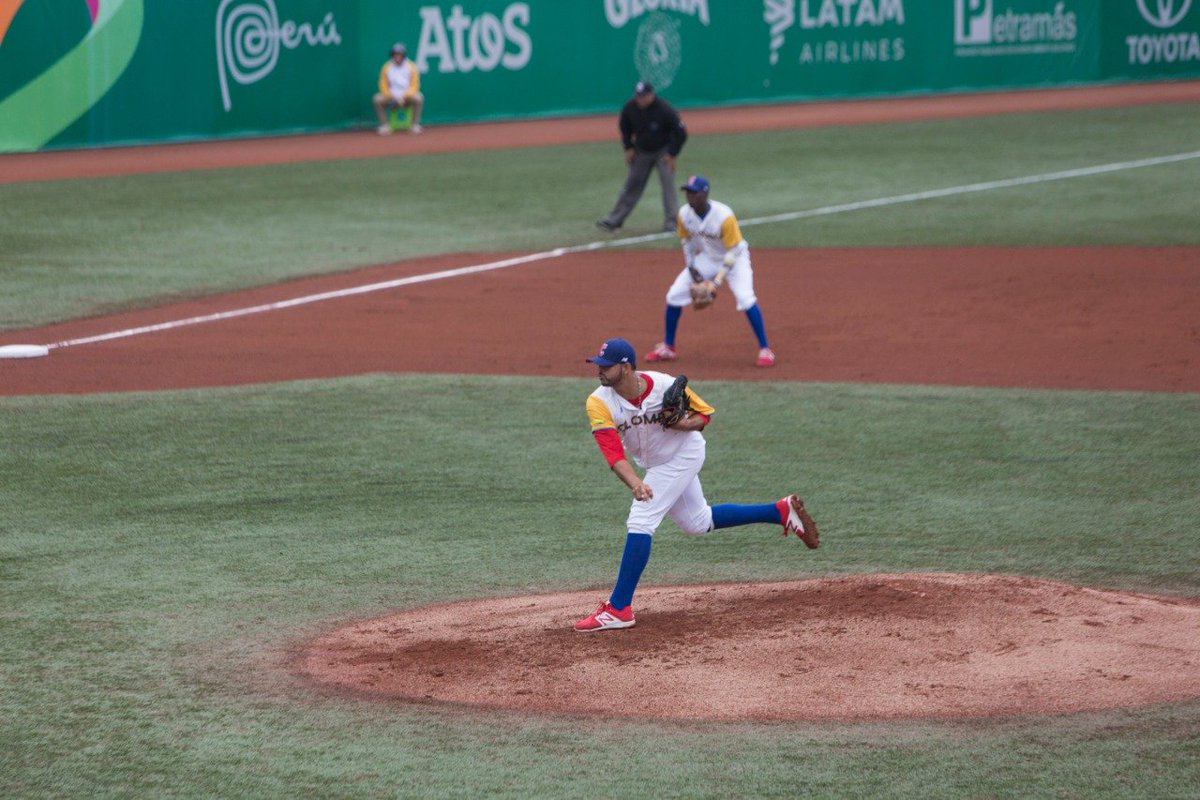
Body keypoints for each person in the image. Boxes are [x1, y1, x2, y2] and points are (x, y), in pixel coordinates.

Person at [575, 336, 819, 632]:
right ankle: (780, 511)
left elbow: (704, 414)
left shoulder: (664, 384)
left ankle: (619, 608)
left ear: (625, 368)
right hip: (654, 464)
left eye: (606, 365)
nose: (599, 370)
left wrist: (683, 424)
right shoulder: (598, 401)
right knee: (697, 522)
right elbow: (612, 453)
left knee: (641, 519)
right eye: (598, 365)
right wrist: (635, 482)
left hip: (684, 453)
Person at [645, 174, 777, 367]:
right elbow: (687, 242)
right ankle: (668, 347)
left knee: (745, 298)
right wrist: (691, 268)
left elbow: (734, 250)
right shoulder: (684, 214)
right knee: (674, 296)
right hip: (707, 259)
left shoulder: (724, 216)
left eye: (694, 192)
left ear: (704, 193)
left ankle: (765, 349)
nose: (690, 196)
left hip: (735, 259)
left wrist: (717, 282)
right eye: (688, 193)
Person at [596, 81, 688, 234]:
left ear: (651, 95)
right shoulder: (630, 108)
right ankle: (614, 220)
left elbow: (681, 133)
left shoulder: (664, 109)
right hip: (642, 151)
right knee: (631, 185)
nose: (640, 100)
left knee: (668, 186)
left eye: (643, 96)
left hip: (663, 152)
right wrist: (628, 147)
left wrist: (672, 153)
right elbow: (624, 126)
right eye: (638, 96)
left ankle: (671, 222)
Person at [373, 43, 424, 135]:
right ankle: (385, 126)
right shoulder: (386, 67)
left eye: (399, 54)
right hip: (391, 97)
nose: (397, 57)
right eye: (395, 54)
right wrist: (392, 96)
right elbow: (383, 85)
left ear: (403, 55)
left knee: (419, 97)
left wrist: (404, 96)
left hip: (407, 96)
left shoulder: (411, 66)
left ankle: (414, 125)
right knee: (377, 99)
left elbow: (414, 85)